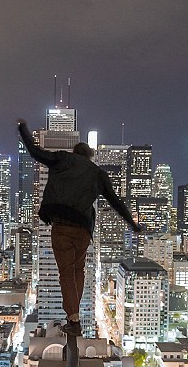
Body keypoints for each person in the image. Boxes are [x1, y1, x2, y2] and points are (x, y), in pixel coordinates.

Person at [18, 118, 143, 337]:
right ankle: (74, 317)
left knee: (66, 274)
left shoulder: (62, 159)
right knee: (78, 271)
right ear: (89, 156)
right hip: (83, 231)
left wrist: (23, 129)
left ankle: (73, 320)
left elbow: (35, 151)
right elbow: (116, 202)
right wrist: (133, 224)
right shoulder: (97, 173)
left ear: (75, 152)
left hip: (62, 227)